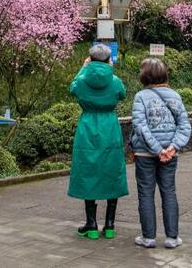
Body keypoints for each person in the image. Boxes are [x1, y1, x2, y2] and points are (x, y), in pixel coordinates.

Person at [131, 58, 192, 250]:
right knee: (169, 192)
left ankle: (148, 237)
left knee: (146, 194)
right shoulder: (175, 95)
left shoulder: (140, 96)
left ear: (144, 76)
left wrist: (157, 149)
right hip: (169, 155)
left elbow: (140, 126)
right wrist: (172, 148)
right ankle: (172, 238)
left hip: (145, 154)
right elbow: (184, 125)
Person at [68, 44, 128, 240]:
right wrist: (110, 70)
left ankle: (91, 224)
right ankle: (110, 224)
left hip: (87, 125)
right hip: (109, 126)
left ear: (90, 59)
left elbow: (73, 88)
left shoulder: (83, 79)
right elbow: (123, 94)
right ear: (108, 60)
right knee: (112, 170)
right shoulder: (115, 80)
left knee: (88, 171)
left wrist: (84, 68)